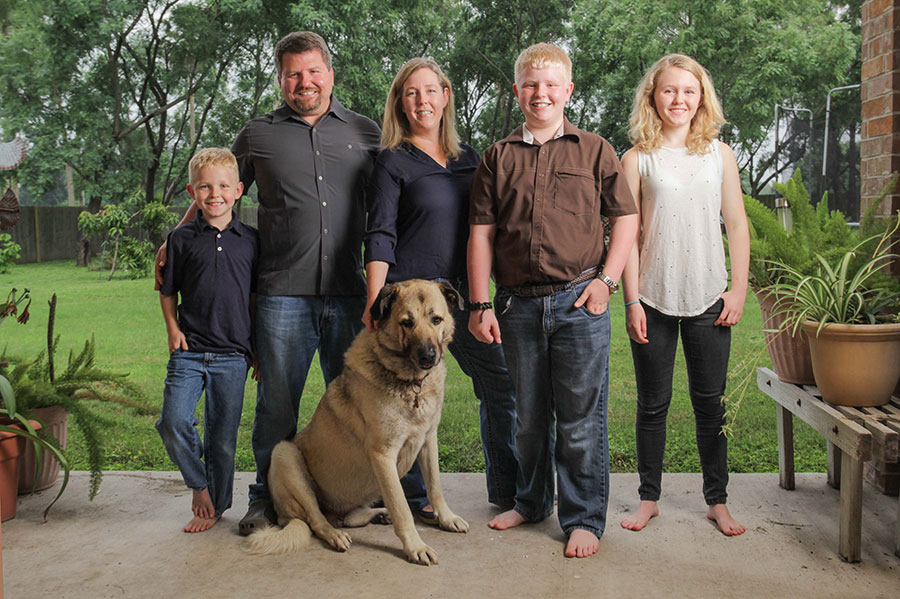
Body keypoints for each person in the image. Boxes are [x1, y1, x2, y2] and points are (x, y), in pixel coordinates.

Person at [156, 31, 381, 535]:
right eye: (293, 74)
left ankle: (354, 493)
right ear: (281, 79)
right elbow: (218, 191)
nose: (305, 82)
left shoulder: (366, 133)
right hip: (281, 295)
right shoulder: (258, 134)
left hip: (350, 294)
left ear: (330, 71)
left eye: (313, 71)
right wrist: (175, 239)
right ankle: (266, 499)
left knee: (358, 404)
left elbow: (389, 208)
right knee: (277, 404)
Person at [467, 43, 639, 558]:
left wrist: (606, 282)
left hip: (579, 303)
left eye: (551, 85)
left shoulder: (594, 150)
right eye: (531, 84)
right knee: (527, 415)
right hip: (517, 306)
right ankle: (531, 500)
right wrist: (479, 305)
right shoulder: (497, 156)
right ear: (517, 91)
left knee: (581, 417)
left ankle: (584, 517)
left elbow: (625, 218)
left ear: (567, 90)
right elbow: (481, 233)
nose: (540, 93)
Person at [363, 58, 519, 520]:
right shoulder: (392, 160)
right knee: (403, 397)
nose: (422, 101)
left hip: (464, 298)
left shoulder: (469, 158)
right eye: (411, 93)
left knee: (500, 383)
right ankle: (411, 500)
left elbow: (487, 225)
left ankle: (509, 491)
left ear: (445, 95)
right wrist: (376, 304)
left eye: (430, 91)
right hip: (411, 304)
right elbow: (380, 234)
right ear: (400, 102)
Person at [618, 54, 749, 536]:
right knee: (653, 405)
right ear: (653, 95)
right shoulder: (636, 159)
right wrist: (631, 301)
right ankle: (648, 498)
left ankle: (717, 500)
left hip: (710, 296)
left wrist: (737, 289)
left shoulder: (720, 154)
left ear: (701, 98)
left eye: (688, 91)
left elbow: (736, 223)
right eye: (669, 90)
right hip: (652, 296)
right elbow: (626, 236)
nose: (679, 100)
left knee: (710, 404)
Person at [156, 147, 259, 533]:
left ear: (238, 191)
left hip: (233, 355)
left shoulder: (251, 240)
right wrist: (172, 327)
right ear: (191, 192)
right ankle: (199, 487)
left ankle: (215, 506)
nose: (214, 194)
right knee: (173, 420)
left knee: (222, 438)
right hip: (189, 351)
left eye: (223, 186)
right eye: (204, 187)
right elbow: (167, 290)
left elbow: (253, 300)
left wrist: (256, 351)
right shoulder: (180, 239)